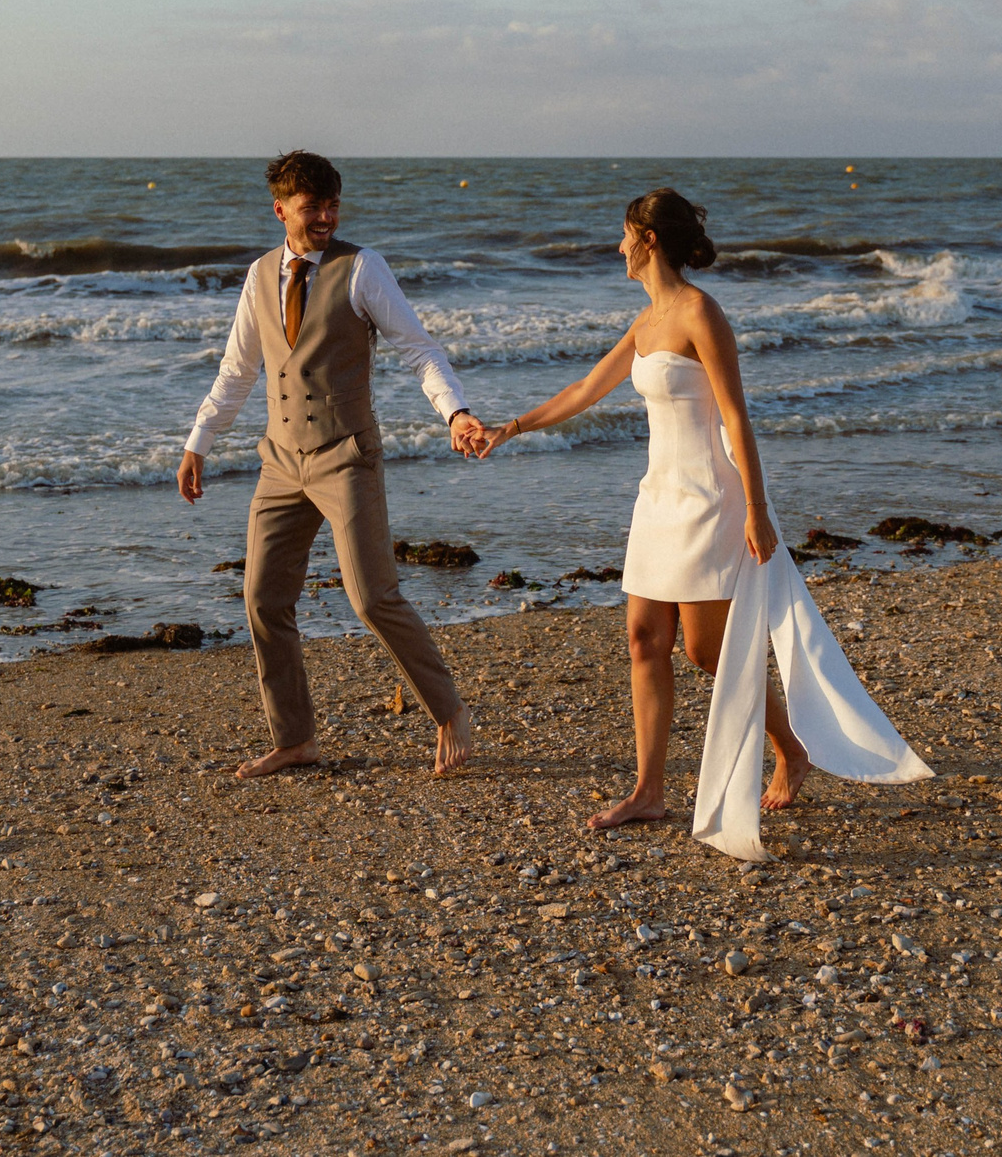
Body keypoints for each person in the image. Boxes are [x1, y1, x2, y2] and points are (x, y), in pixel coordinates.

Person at [477, 187, 930, 860]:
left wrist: (755, 506)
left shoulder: (699, 313)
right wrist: (509, 427)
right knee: (640, 637)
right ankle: (649, 788)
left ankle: (792, 746)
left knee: (705, 650)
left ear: (649, 239)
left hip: (710, 497)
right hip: (658, 497)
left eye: (624, 234)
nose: (617, 246)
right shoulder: (645, 321)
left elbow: (735, 415)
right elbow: (583, 390)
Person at [179, 150, 488, 779]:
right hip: (279, 462)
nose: (325, 216)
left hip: (346, 455)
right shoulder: (261, 274)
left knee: (373, 598)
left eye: (332, 205)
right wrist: (198, 442)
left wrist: (455, 413)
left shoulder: (361, 267)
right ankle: (295, 740)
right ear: (281, 209)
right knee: (263, 598)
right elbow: (238, 370)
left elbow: (418, 348)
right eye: (312, 206)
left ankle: (450, 710)